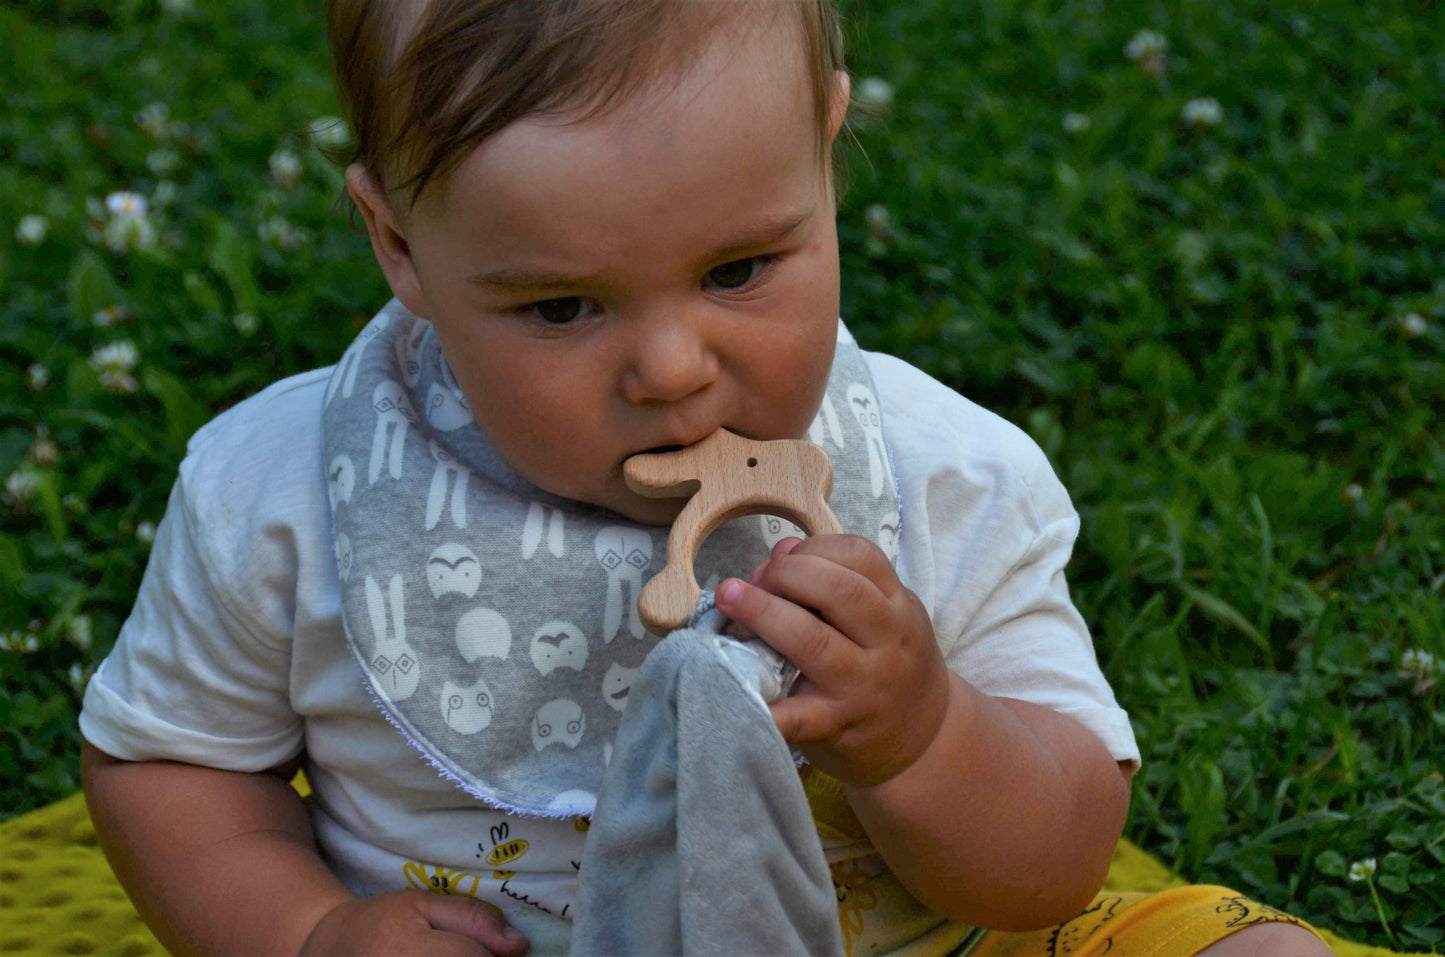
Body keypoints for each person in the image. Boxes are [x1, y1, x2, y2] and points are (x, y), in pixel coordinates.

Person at [79, 1, 1334, 955]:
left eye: (738, 271)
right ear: (398, 244)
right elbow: (173, 770)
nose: (674, 370)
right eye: (562, 304)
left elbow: (1055, 860)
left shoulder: (942, 475)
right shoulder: (284, 492)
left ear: (826, 152)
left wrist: (924, 733)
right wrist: (307, 932)